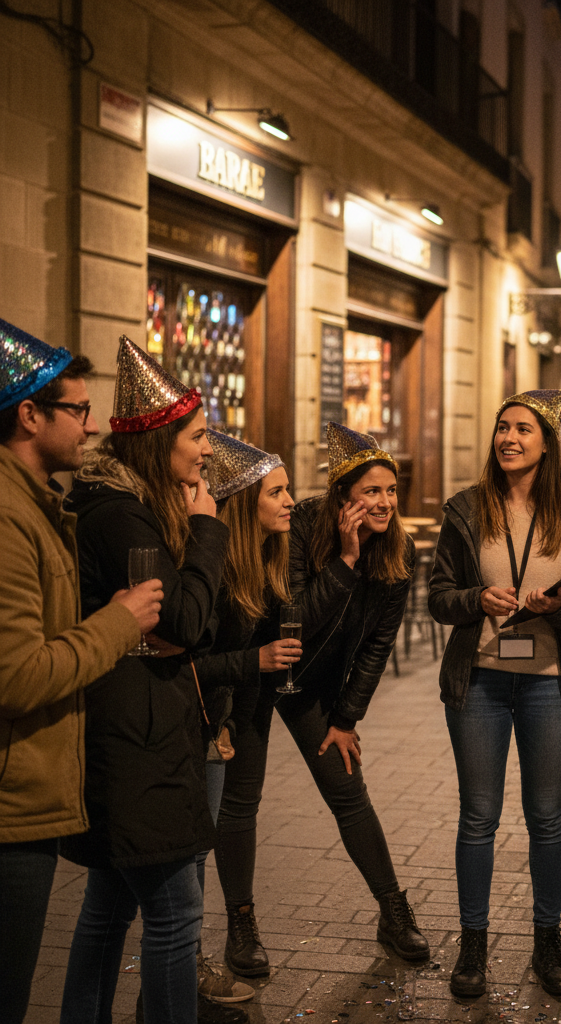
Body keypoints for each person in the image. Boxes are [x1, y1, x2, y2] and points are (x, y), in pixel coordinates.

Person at [59, 336, 228, 1024]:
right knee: (175, 912)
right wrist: (207, 531)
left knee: (109, 904)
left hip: (137, 732)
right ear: (160, 444)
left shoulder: (124, 507)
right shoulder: (123, 514)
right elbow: (183, 622)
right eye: (197, 434)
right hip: (134, 741)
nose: (209, 449)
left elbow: (177, 627)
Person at [0, 320, 161, 1024]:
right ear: (29, 414)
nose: (92, 426)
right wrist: (120, 621)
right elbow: (19, 675)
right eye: (77, 410)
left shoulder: (39, 505)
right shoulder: (8, 517)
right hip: (11, 804)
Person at [428, 388, 561, 1001]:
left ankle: (547, 941)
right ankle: (473, 945)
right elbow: (438, 594)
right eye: (502, 428)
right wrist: (477, 599)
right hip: (480, 681)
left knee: (546, 817)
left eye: (523, 429)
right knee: (478, 817)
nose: (509, 438)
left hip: (548, 682)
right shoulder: (468, 508)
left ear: (547, 443)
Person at [248, 423, 427, 968]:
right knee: (240, 803)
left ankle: (393, 912)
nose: (385, 503)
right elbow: (293, 619)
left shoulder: (400, 550)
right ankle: (240, 925)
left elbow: (377, 646)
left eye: (391, 491)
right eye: (371, 491)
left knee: (348, 792)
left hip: (316, 687)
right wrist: (346, 561)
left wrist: (346, 718)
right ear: (342, 496)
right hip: (260, 667)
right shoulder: (301, 526)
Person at [184, 430, 300, 1011]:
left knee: (238, 813)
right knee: (193, 843)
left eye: (289, 490)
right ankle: (183, 959)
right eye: (277, 492)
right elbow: (188, 659)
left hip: (245, 710)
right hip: (202, 718)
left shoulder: (276, 557)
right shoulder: (217, 569)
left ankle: (236, 927)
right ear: (245, 503)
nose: (290, 501)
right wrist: (252, 660)